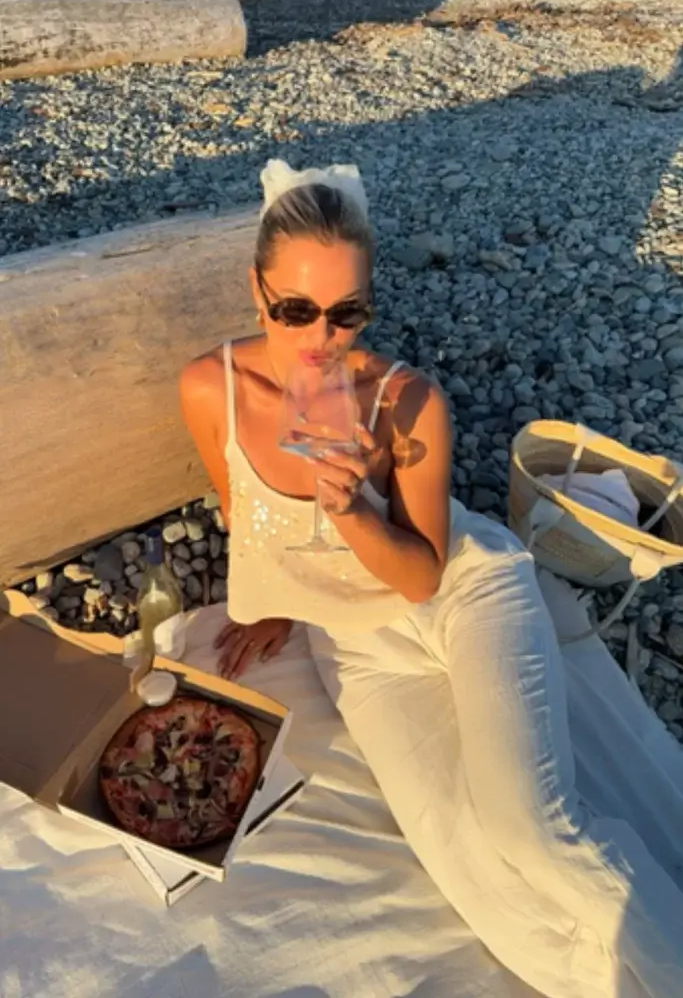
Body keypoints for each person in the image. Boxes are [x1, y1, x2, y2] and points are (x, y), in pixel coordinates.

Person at [179, 159, 683, 998]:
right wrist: (272, 604)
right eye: (294, 309)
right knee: (474, 872)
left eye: (347, 314)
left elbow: (420, 574)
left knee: (533, 829)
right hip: (360, 646)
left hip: (462, 592)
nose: (319, 339)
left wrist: (349, 511)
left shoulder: (407, 401)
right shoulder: (211, 388)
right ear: (255, 288)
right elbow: (243, 513)